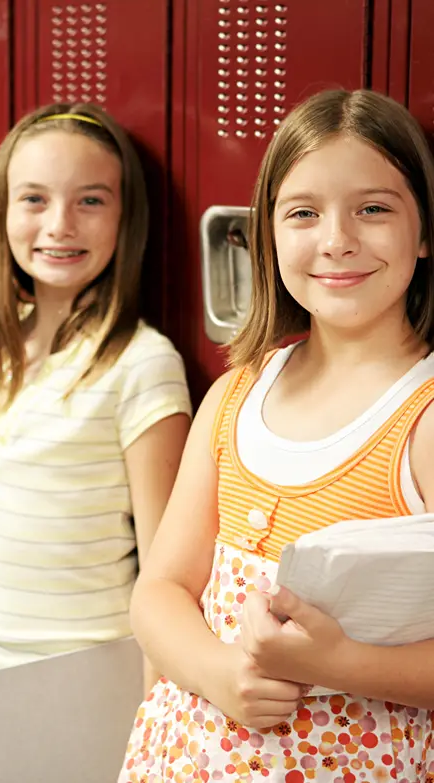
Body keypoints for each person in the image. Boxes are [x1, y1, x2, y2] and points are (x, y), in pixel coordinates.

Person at [119, 89, 434, 782]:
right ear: (267, 234)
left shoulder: (425, 418)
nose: (337, 238)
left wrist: (337, 664)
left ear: (425, 231)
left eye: (374, 209)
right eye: (303, 213)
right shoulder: (237, 393)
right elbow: (161, 587)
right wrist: (220, 670)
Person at [0, 103, 191, 782]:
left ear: (123, 217)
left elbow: (171, 571)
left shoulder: (141, 363)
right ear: (2, 211)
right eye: (35, 199)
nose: (58, 225)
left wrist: (160, 723)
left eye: (90, 201)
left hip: (80, 692)